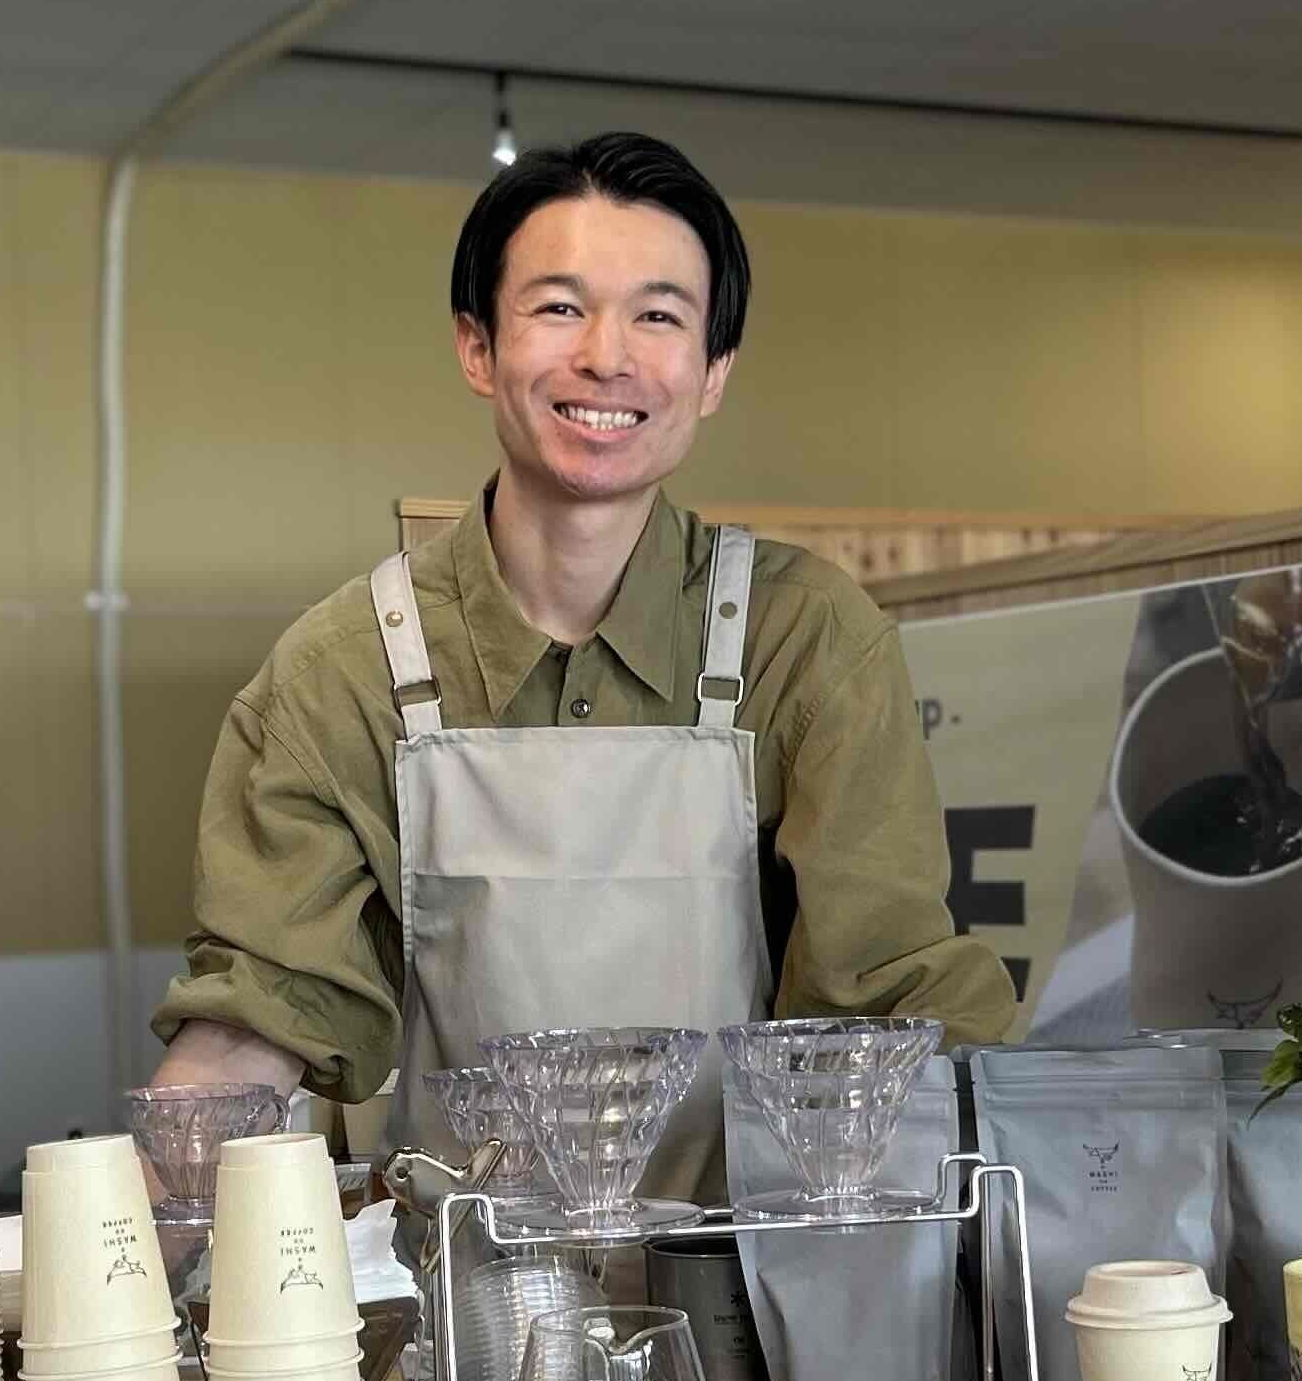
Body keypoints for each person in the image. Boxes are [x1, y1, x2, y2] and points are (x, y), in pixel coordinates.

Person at [150, 131, 1015, 1207]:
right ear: (477, 347)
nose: (608, 357)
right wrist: (134, 1248)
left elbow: (884, 1006)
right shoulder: (342, 673)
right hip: (461, 1290)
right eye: (560, 307)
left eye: (659, 316)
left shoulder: (809, 639)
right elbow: (255, 1023)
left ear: (712, 373)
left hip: (744, 1283)